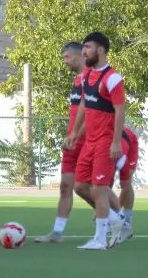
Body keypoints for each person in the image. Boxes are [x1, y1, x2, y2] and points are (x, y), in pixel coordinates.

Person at [66, 31, 127, 251]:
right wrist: (74, 133)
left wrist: (116, 142)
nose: (84, 51)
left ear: (100, 50)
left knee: (99, 189)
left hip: (105, 141)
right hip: (89, 141)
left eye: (88, 47)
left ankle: (100, 240)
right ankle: (115, 219)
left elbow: (120, 111)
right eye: (83, 47)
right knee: (81, 186)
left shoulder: (113, 78)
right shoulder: (86, 76)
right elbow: (84, 105)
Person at [37, 42, 92, 243]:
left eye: (67, 57)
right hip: (72, 141)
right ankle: (57, 233)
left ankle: (116, 219)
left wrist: (77, 134)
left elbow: (92, 114)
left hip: (88, 141)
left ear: (79, 56)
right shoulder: (77, 80)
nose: (65, 61)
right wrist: (70, 135)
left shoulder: (91, 79)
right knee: (65, 186)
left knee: (89, 188)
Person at [115, 127, 138, 239]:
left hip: (130, 141)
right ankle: (116, 219)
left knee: (127, 181)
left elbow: (125, 186)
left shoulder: (120, 147)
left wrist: (115, 212)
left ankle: (126, 221)